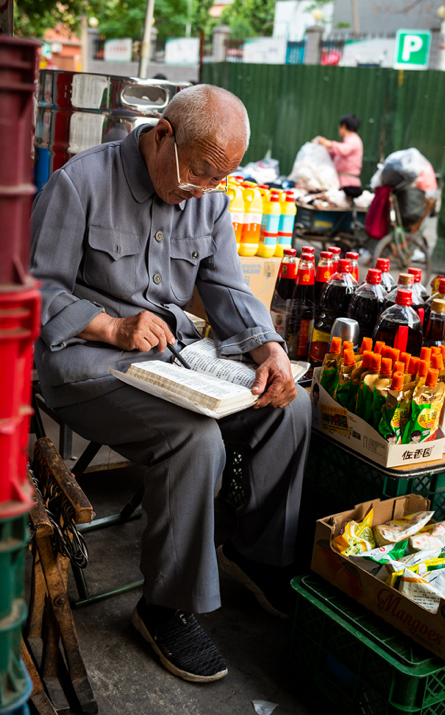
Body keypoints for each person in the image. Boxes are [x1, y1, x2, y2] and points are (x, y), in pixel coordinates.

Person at [31, 84, 311, 684]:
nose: (204, 191)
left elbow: (230, 289)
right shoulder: (79, 183)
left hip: (174, 357)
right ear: (163, 136)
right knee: (195, 439)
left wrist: (270, 348)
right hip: (86, 365)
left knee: (290, 407)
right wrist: (109, 325)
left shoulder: (208, 200)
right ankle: (166, 606)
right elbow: (35, 293)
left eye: (218, 181)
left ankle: (261, 557)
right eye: (199, 175)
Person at [318, 114, 363, 198]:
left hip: (348, 182)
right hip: (339, 180)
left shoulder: (354, 140)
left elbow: (343, 150)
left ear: (343, 126)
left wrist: (328, 143)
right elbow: (334, 152)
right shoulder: (346, 141)